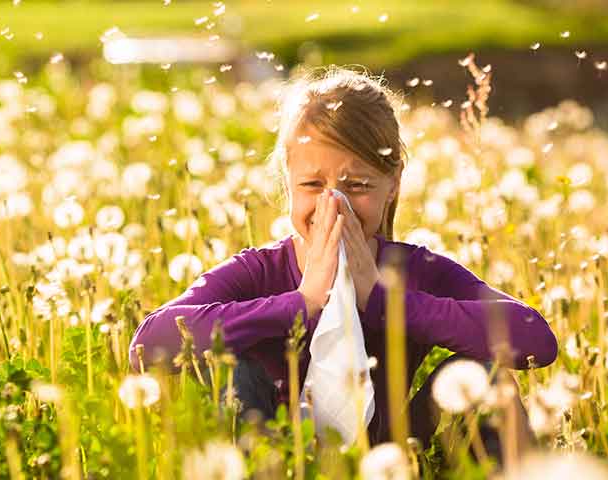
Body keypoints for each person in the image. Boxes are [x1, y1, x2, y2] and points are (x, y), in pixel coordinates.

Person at [129, 67, 557, 456]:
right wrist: (302, 302)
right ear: (288, 183)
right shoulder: (259, 271)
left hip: (395, 457)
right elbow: (148, 345)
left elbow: (536, 339)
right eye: (313, 184)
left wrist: (384, 300)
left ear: (393, 185)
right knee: (229, 369)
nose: (333, 203)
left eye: (357, 185)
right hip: (273, 455)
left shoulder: (415, 271)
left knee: (484, 375)